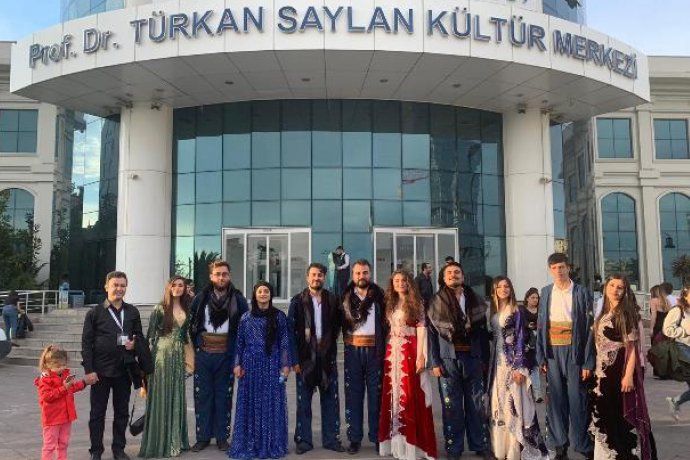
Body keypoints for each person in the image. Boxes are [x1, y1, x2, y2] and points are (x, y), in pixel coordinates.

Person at [427, 262, 492, 460]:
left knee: (476, 405)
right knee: (451, 407)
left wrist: (484, 360)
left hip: (473, 359)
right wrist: (434, 362)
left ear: (463, 276)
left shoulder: (475, 300)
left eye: (457, 272)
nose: (453, 275)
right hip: (448, 360)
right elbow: (431, 335)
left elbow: (482, 334)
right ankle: (454, 448)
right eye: (449, 272)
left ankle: (480, 444)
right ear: (443, 278)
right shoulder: (435, 301)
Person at [535, 253, 595, 460]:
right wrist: (541, 356)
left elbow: (589, 329)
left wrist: (588, 361)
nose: (558, 271)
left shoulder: (582, 292)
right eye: (554, 268)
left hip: (574, 351)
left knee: (577, 399)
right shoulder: (546, 292)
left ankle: (582, 444)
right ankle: (559, 445)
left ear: (568, 268)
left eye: (561, 267)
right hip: (552, 351)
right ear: (550, 270)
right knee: (555, 401)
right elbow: (541, 325)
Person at [81, 271, 146, 460]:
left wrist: (135, 344)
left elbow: (140, 337)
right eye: (115, 285)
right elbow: (86, 343)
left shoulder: (132, 311)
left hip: (124, 371)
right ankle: (96, 451)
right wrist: (89, 370)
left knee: (122, 413)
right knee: (97, 414)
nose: (119, 289)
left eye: (122, 285)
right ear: (106, 287)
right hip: (100, 372)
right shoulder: (94, 312)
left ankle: (118, 449)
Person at [590, 275, 656, 459]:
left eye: (620, 287)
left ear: (625, 290)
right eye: (612, 285)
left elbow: (631, 348)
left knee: (618, 415)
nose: (615, 290)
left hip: (618, 371)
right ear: (605, 288)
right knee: (605, 412)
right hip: (602, 371)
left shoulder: (625, 313)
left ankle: (623, 454)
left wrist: (628, 376)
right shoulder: (604, 313)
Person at [189, 260, 248, 452]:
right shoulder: (200, 298)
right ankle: (203, 437)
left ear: (229, 276)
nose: (221, 277)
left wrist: (240, 357)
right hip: (204, 355)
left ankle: (222, 437)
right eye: (217, 274)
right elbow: (192, 325)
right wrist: (198, 344)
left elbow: (244, 328)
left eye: (224, 274)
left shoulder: (238, 299)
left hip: (226, 355)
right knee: (203, 396)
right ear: (211, 276)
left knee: (224, 397)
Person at [229, 281, 294, 459]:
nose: (263, 294)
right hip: (250, 366)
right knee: (251, 403)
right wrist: (237, 364)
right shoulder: (245, 318)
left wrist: (285, 365)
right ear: (255, 295)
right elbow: (239, 343)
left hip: (272, 364)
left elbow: (284, 343)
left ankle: (271, 443)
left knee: (271, 402)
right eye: (260, 291)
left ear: (271, 295)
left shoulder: (279, 317)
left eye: (266, 291)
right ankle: (251, 442)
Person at [378, 270, 437, 460]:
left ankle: (414, 444)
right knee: (394, 396)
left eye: (404, 280)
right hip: (393, 353)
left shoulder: (417, 303)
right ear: (392, 283)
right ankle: (397, 442)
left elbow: (422, 329)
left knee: (411, 394)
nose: (400, 283)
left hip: (410, 351)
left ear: (409, 282)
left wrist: (421, 356)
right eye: (396, 280)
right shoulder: (391, 302)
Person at [488, 277, 548, 460]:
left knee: (515, 404)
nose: (503, 289)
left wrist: (519, 367)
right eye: (499, 287)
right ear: (494, 290)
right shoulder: (494, 311)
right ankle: (501, 448)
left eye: (506, 286)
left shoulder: (517, 310)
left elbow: (521, 338)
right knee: (499, 403)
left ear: (511, 289)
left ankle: (516, 449)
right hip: (497, 364)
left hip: (512, 364)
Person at [287, 262, 345, 454]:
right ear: (307, 277)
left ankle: (331, 439)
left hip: (327, 358)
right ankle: (304, 441)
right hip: (305, 359)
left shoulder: (333, 300)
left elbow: (339, 326)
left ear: (324, 278)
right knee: (303, 402)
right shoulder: (297, 301)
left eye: (320, 275)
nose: (316, 278)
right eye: (313, 275)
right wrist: (294, 360)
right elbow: (290, 332)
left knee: (331, 401)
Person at [139, 276, 192, 458]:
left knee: (176, 395)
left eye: (181, 285)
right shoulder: (159, 308)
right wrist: (144, 368)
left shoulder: (187, 308)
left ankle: (175, 440)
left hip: (178, 357)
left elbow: (186, 336)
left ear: (185, 288)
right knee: (161, 396)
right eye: (174, 285)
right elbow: (149, 337)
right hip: (161, 356)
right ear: (168, 287)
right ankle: (159, 442)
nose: (177, 288)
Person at [341, 259, 386, 454]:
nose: (362, 276)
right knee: (354, 396)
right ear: (353, 275)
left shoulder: (380, 296)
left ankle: (377, 437)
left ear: (370, 273)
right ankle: (354, 438)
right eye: (358, 273)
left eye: (365, 272)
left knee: (376, 397)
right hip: (352, 351)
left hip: (375, 351)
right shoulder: (344, 297)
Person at [36, 344, 94, 460]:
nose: (62, 368)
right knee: (49, 445)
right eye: (58, 366)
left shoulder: (65, 375)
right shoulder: (45, 380)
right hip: (52, 419)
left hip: (66, 417)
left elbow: (72, 388)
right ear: (48, 365)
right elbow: (47, 396)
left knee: (63, 443)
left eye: (63, 365)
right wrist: (64, 388)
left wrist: (84, 383)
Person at [663, 286, 690, 421]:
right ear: (685, 296)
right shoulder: (678, 310)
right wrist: (684, 331)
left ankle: (676, 401)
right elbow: (667, 329)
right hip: (682, 348)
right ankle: (676, 401)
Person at [523, 287, 543, 402]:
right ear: (527, 298)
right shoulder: (522, 310)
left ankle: (537, 393)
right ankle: (530, 394)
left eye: (537, 298)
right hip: (525, 344)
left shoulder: (541, 310)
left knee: (535, 368)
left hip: (537, 343)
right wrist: (528, 325)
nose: (535, 300)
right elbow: (519, 323)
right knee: (527, 368)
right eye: (533, 297)